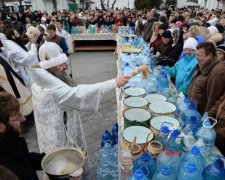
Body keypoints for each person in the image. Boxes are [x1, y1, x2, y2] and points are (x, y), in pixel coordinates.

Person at [29, 42, 130, 175]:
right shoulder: (53, 91)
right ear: (50, 67)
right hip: (60, 140)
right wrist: (114, 83)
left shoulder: (39, 80)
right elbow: (79, 94)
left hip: (47, 135)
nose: (65, 67)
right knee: (66, 169)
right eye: (61, 64)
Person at [0, 91, 45, 180]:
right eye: (17, 118)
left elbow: (24, 159)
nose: (24, 119)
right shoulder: (5, 171)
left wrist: (47, 159)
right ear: (1, 127)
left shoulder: (8, 142)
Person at [188, 42, 225, 114]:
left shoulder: (217, 73)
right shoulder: (203, 64)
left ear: (209, 55)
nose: (196, 57)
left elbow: (213, 99)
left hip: (199, 116)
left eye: (199, 55)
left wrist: (206, 118)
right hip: (192, 110)